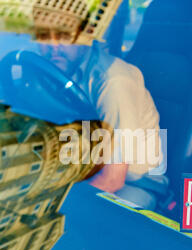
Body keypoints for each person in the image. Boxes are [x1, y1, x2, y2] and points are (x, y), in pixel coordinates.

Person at [35, 28, 167, 210]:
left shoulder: (112, 82)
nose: (54, 48)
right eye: (45, 37)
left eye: (65, 37)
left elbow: (112, 179)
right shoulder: (57, 70)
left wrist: (48, 205)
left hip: (134, 182)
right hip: (82, 166)